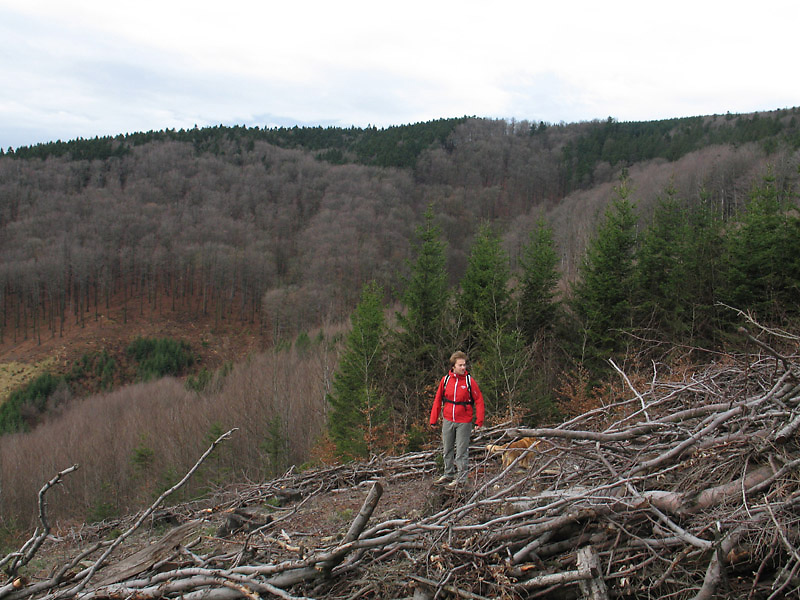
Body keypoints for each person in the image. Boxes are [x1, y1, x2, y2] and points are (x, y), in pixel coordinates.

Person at [429, 351, 485, 487]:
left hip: (464, 421)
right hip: (448, 419)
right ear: (453, 366)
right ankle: (448, 474)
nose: (463, 367)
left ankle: (461, 479)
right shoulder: (446, 380)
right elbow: (438, 399)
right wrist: (433, 419)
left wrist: (479, 420)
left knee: (461, 452)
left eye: (464, 365)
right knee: (447, 449)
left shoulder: (469, 381)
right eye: (460, 365)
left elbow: (479, 400)